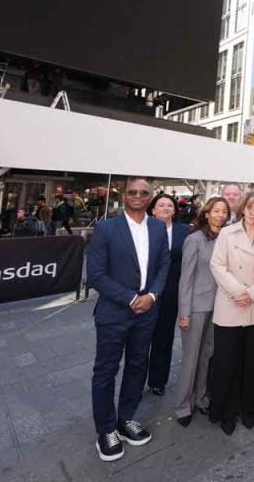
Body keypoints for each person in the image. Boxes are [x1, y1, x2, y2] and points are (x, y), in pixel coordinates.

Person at [86, 178, 171, 462]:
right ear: (124, 196)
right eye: (133, 192)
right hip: (114, 313)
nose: (137, 196)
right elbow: (96, 275)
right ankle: (106, 429)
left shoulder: (158, 227)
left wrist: (153, 296)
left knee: (137, 365)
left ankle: (126, 419)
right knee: (106, 371)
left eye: (143, 193)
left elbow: (164, 265)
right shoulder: (106, 228)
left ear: (150, 197)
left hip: (148, 312)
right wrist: (131, 299)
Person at [209, 192, 254, 435]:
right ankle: (226, 411)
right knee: (226, 362)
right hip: (230, 304)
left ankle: (249, 408)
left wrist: (253, 292)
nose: (253, 212)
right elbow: (217, 265)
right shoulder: (227, 233)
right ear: (242, 209)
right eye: (249, 207)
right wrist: (238, 292)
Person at [173, 197, 229, 427]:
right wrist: (183, 311)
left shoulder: (225, 238)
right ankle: (183, 405)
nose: (220, 215)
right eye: (216, 211)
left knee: (207, 356)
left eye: (224, 212)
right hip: (196, 306)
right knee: (190, 358)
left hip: (219, 306)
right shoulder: (194, 239)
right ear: (207, 214)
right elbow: (185, 278)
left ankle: (201, 398)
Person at [146, 194, 191, 396]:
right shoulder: (142, 230)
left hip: (172, 293)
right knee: (140, 340)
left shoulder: (184, 231)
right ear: (153, 209)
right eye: (161, 205)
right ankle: (136, 381)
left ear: (175, 210)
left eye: (169, 205)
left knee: (164, 339)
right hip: (145, 294)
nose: (165, 208)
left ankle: (158, 380)